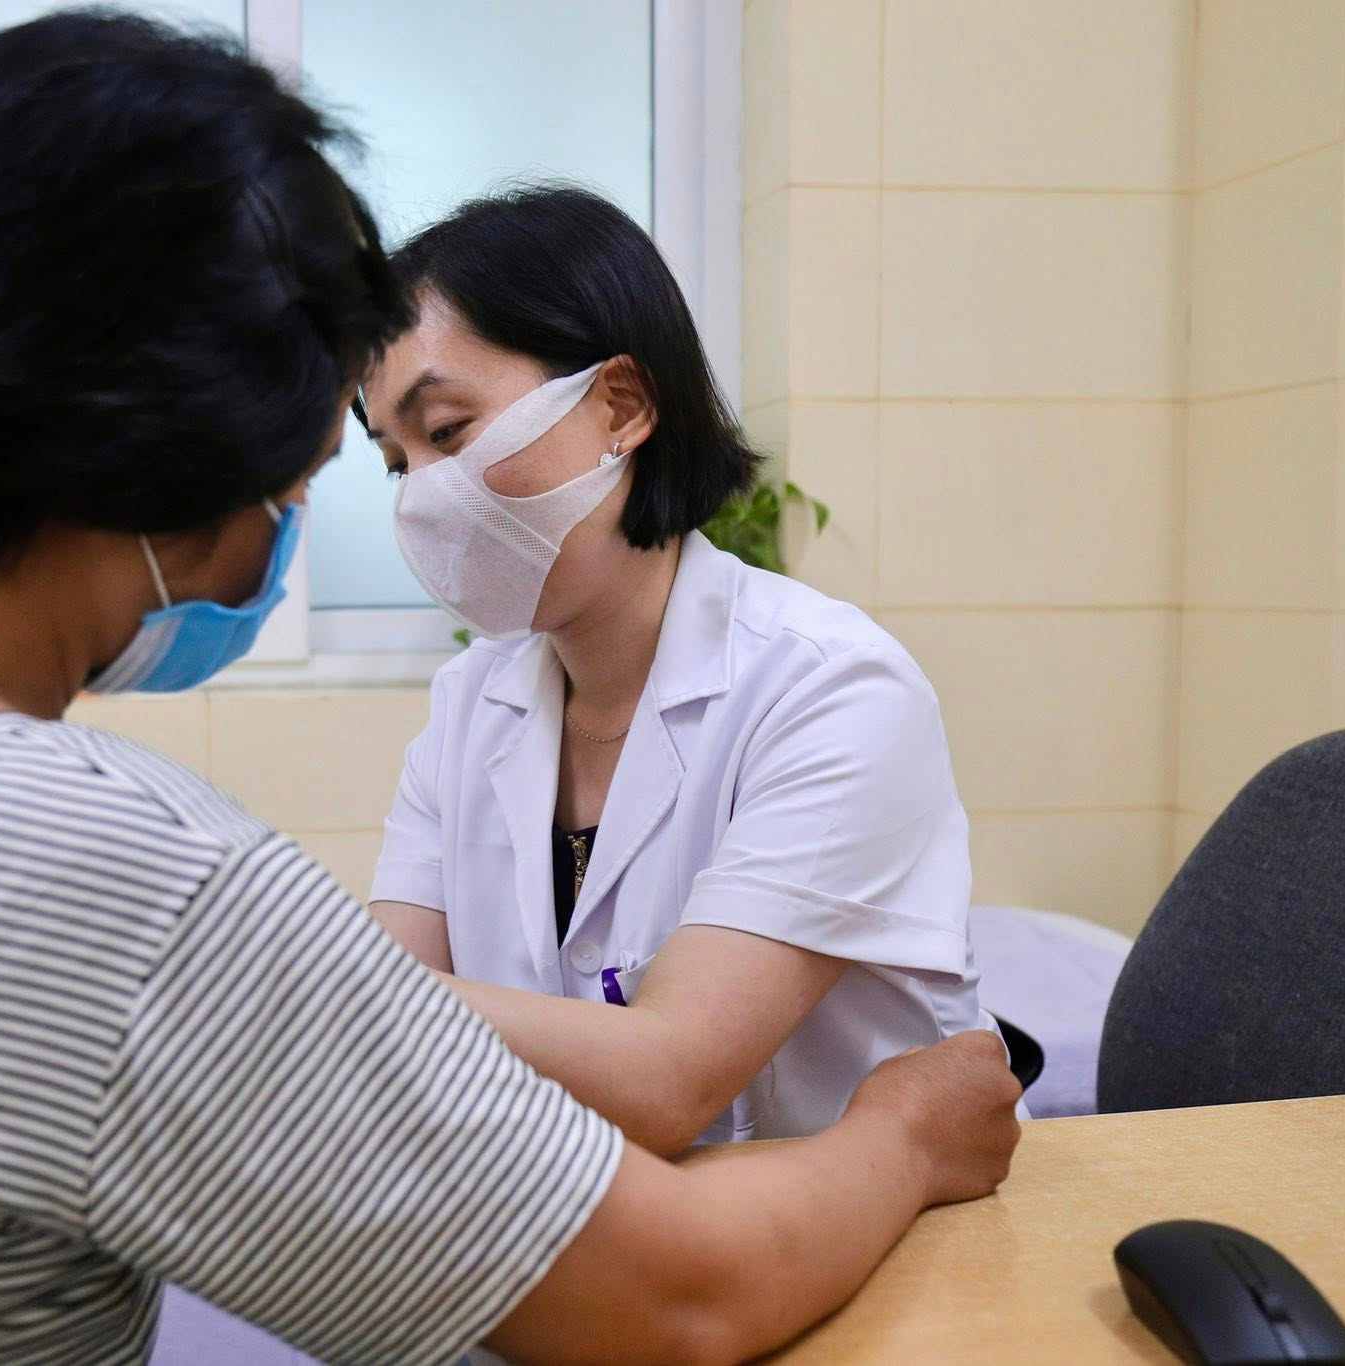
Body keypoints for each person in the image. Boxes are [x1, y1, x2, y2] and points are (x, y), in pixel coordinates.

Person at [0, 12, 1019, 1365]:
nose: (344, 519)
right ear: (179, 467)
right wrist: (899, 1136)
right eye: (332, 465)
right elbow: (680, 1285)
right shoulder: (134, 883)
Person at [364, 185, 1004, 1155]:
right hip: (623, 1245)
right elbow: (376, 1054)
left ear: (619, 405)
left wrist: (331, 984)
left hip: (880, 1258)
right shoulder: (468, 706)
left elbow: (667, 1079)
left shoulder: (828, 689)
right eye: (393, 461)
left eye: (446, 430)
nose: (421, 497)